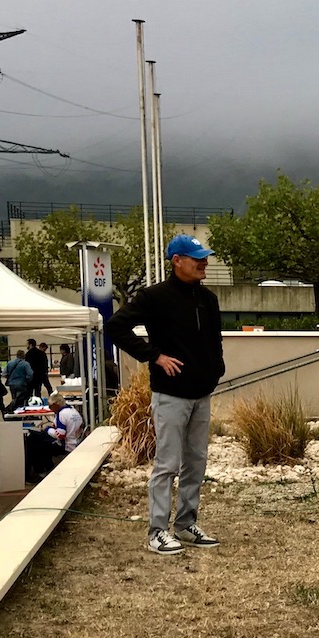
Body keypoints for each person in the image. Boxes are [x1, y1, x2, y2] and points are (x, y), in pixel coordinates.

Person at [105, 234, 225, 556]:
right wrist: (154, 355)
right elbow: (116, 326)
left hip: (201, 395)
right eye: (196, 257)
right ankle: (157, 531)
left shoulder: (208, 299)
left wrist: (216, 369)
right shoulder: (154, 297)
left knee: (196, 463)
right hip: (171, 396)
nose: (204, 263)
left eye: (205, 257)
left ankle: (185, 524)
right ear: (177, 261)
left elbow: (216, 340)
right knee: (167, 464)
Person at [23, 392, 85, 482]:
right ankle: (46, 467)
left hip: (66, 446)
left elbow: (60, 435)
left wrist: (47, 429)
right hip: (74, 441)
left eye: (50, 405)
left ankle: (39, 471)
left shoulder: (61, 414)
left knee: (32, 441)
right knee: (38, 438)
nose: (49, 408)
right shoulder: (73, 411)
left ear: (56, 405)